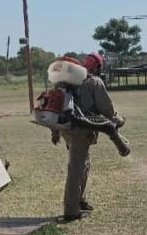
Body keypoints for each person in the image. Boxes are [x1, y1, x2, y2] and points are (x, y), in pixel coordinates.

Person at [51, 53, 123, 221]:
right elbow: (107, 109)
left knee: (84, 163)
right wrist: (118, 120)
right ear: (97, 67)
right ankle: (71, 210)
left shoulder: (65, 81)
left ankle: (80, 200)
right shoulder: (94, 82)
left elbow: (55, 107)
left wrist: (55, 132)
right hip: (82, 130)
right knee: (76, 167)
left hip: (66, 129)